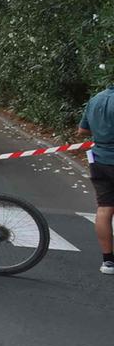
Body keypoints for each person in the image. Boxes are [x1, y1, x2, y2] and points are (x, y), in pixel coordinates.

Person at [79, 76, 114, 274]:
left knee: (105, 208)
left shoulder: (96, 99)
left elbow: (82, 129)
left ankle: (108, 261)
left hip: (99, 160)